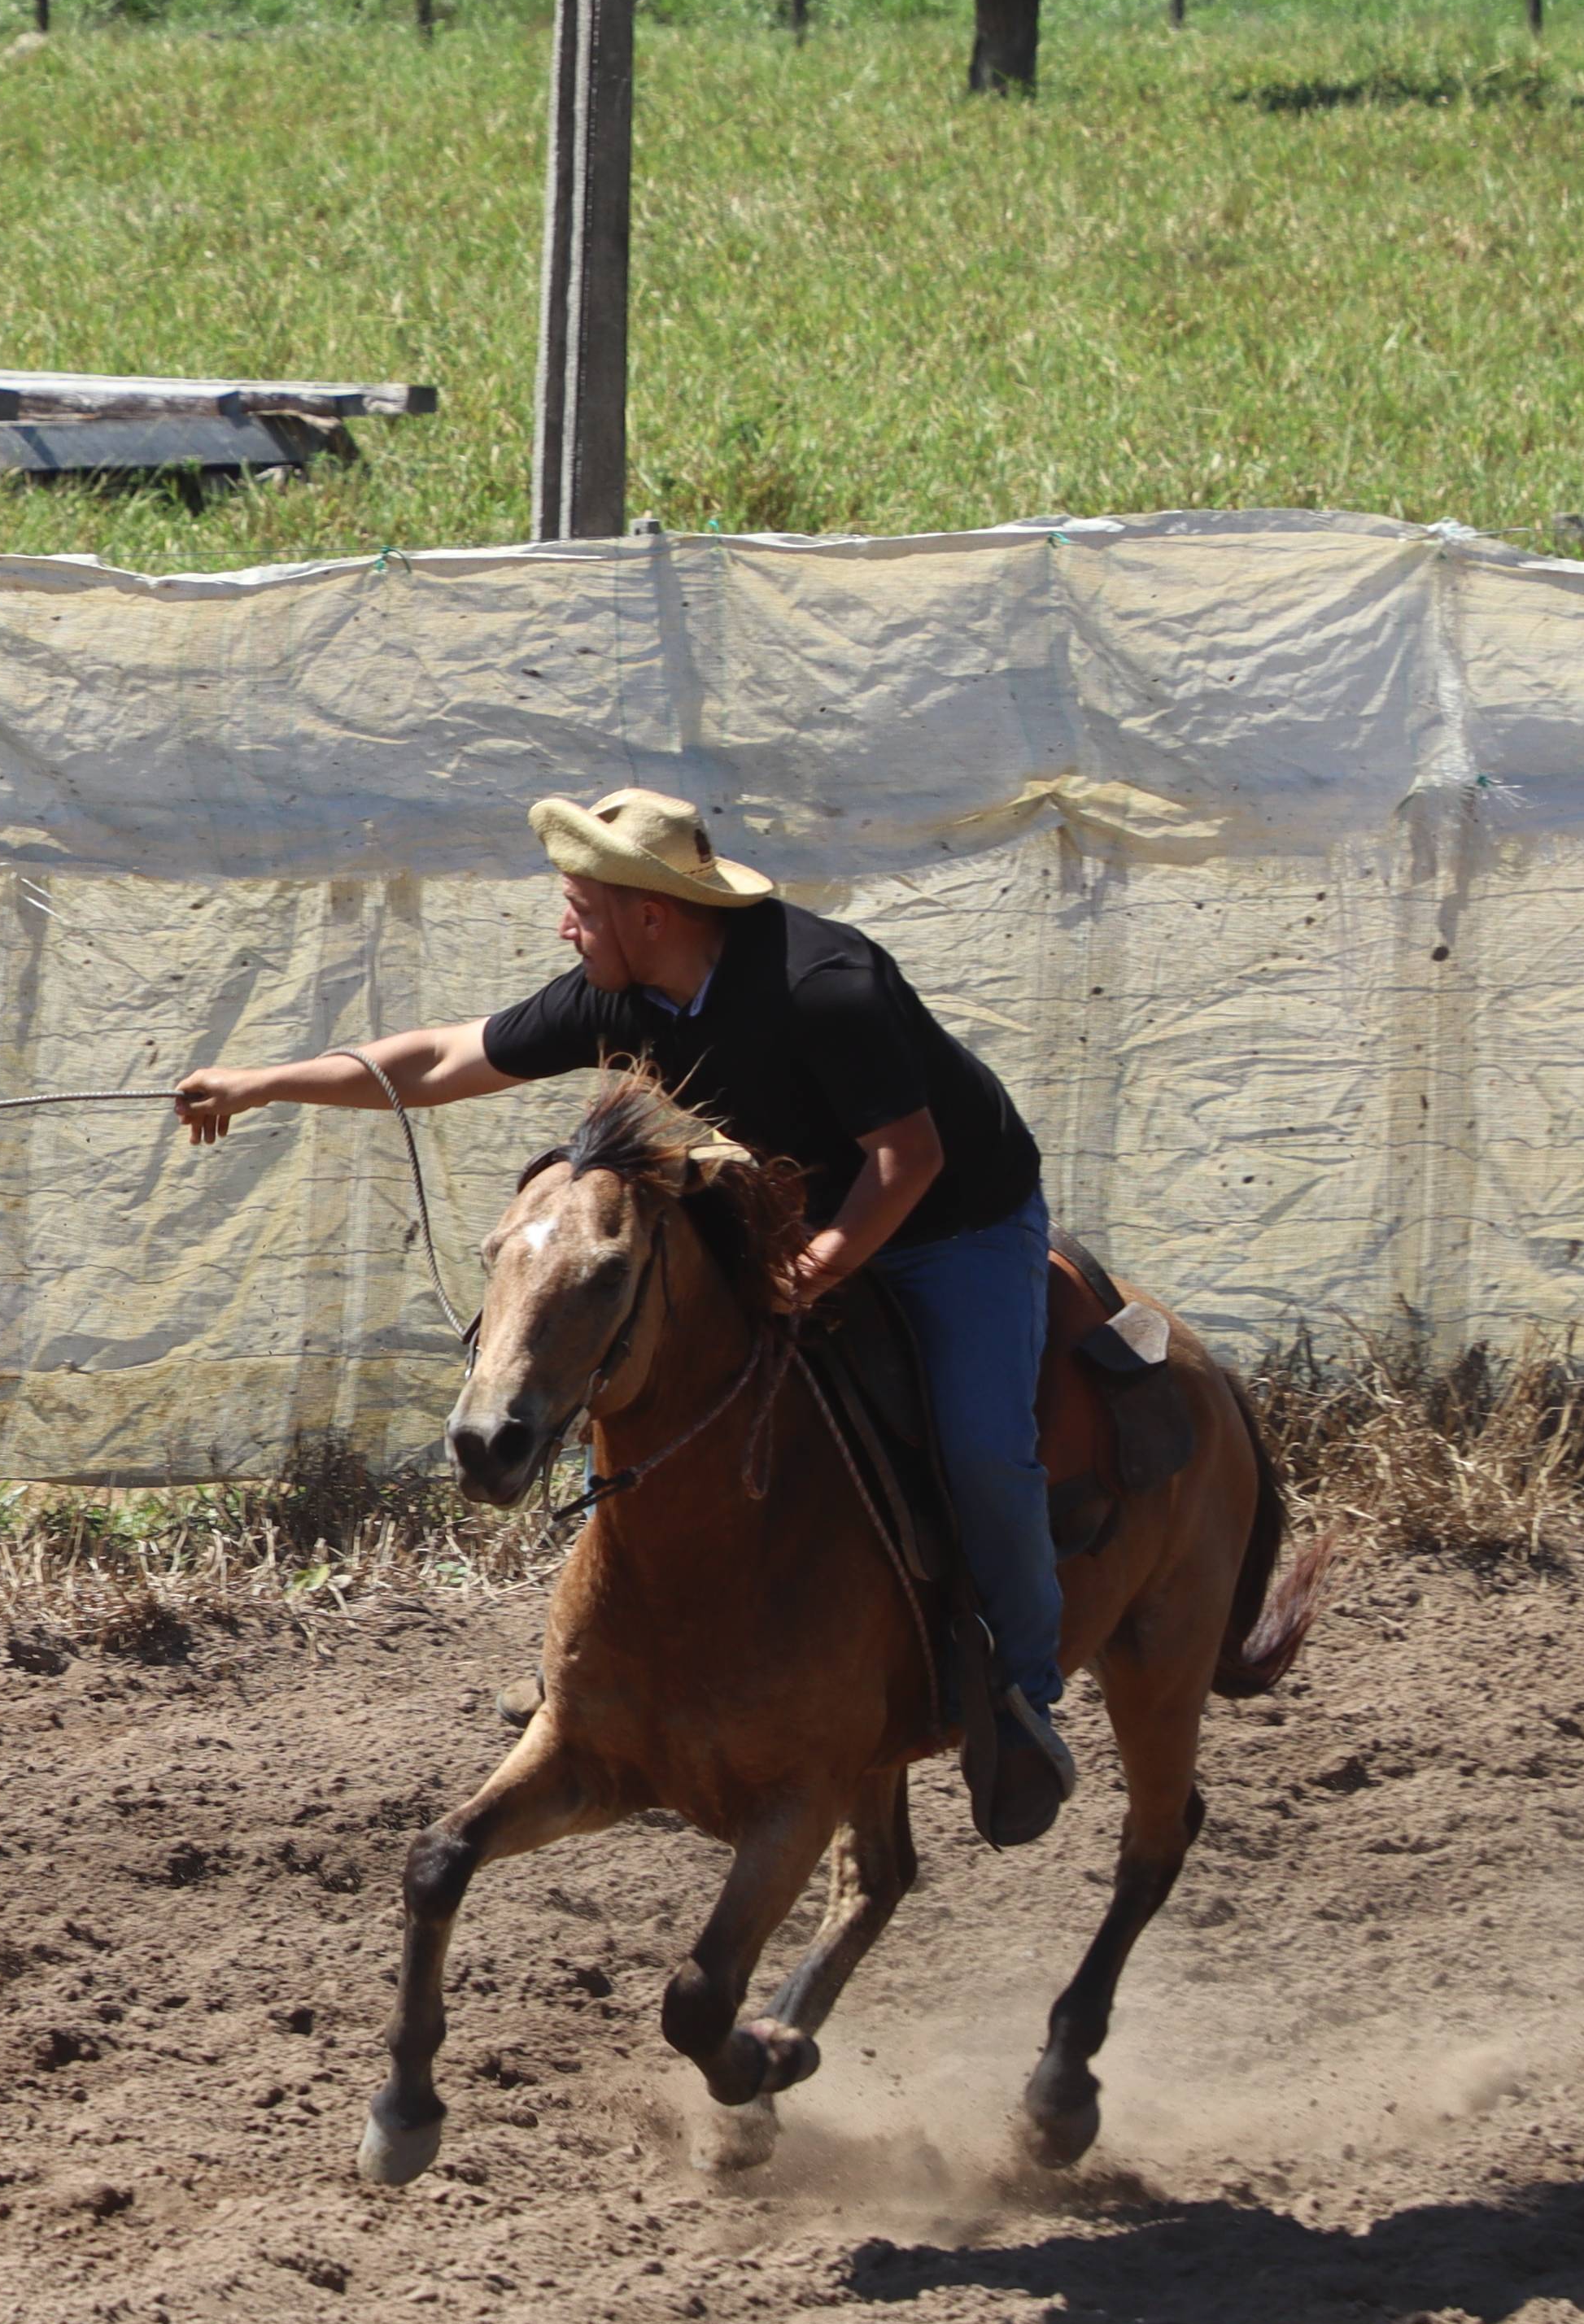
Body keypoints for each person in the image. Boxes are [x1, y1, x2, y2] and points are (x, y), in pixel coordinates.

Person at [169, 787, 1074, 1842]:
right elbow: (445, 1057)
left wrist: (818, 1266)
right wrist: (265, 1084)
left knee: (983, 1449)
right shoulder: (624, 994)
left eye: (580, 907)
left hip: (956, 1223)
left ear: (652, 914)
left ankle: (1021, 1692)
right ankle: (620, 1659)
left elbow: (908, 1158)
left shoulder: (827, 987)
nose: (566, 927)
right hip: (803, 1198)